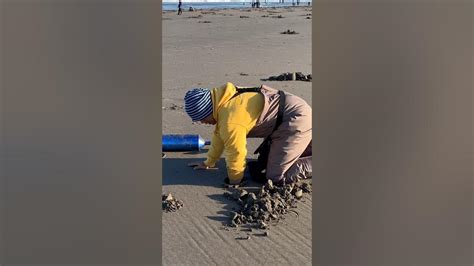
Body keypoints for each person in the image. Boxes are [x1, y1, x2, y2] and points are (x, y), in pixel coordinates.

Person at [184, 82, 312, 185]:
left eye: (201, 118)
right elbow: (219, 137)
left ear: (207, 111)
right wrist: (208, 162)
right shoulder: (224, 99)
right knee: (263, 164)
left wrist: (235, 180)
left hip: (295, 120)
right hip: (290, 111)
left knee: (275, 177)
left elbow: (236, 152)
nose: (202, 122)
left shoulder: (230, 119)